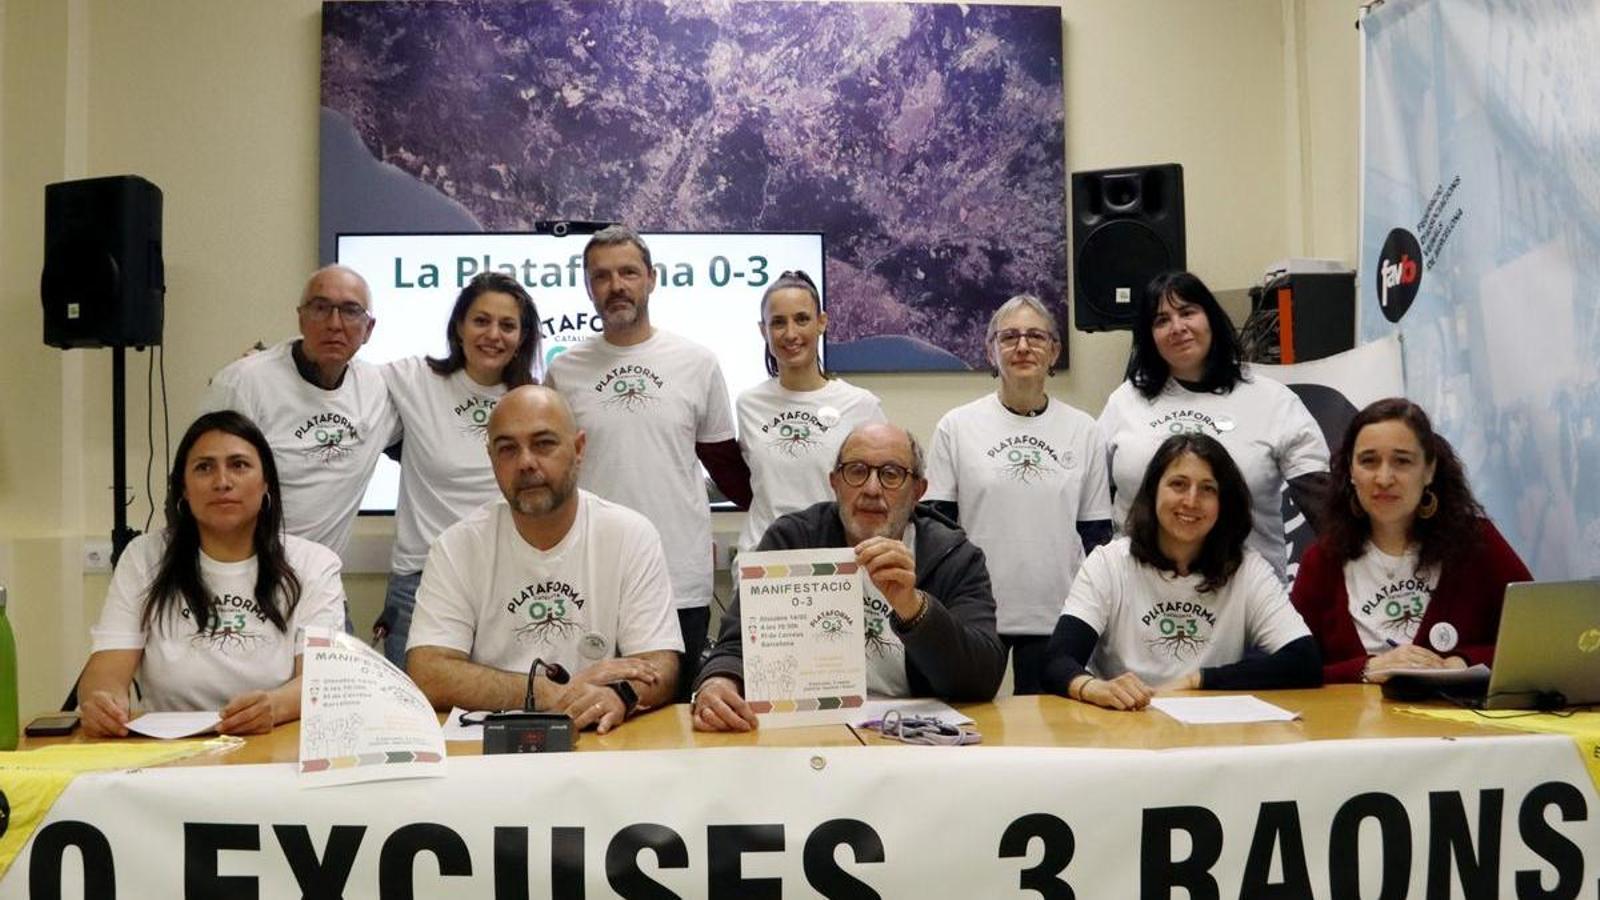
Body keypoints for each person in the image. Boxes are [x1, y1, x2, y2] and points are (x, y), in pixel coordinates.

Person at [692, 422, 1007, 732]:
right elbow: (737, 645)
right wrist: (719, 682)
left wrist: (915, 609)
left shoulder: (955, 556)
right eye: (856, 471)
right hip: (811, 730)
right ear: (835, 482)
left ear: (917, 492)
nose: (871, 489)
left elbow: (982, 679)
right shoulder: (792, 540)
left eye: (891, 474)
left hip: (911, 735)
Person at [545, 225, 750, 695]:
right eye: (601, 276)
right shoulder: (564, 370)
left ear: (652, 279)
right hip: (591, 576)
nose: (616, 285)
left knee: (670, 722)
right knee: (590, 715)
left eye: (628, 272)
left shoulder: (697, 362)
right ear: (588, 286)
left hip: (677, 578)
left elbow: (727, 469)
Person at [406, 386, 681, 733]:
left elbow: (661, 664)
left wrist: (619, 695)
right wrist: (550, 692)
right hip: (491, 752)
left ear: (579, 449)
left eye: (544, 444)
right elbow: (428, 672)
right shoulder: (457, 546)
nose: (525, 463)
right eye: (507, 449)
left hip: (598, 738)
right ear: (491, 459)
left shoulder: (630, 534)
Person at [78, 411, 348, 738]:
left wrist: (274, 707)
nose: (222, 481)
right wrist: (103, 702)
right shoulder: (143, 557)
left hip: (272, 743)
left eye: (239, 465)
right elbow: (105, 672)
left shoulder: (314, 563)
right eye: (204, 467)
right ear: (183, 489)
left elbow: (321, 681)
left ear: (266, 485)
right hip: (168, 752)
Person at [1042, 433, 1321, 710]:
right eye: (1178, 484)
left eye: (1208, 489)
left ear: (1223, 503)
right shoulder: (1109, 563)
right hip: (1124, 728)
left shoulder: (1248, 569)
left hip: (1213, 734)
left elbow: (1303, 660)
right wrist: (1094, 688)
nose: (1191, 500)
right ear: (1153, 492)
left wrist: (1198, 680)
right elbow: (1057, 662)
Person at [925, 295, 1112, 695]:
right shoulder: (956, 427)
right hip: (975, 612)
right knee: (972, 730)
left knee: (1046, 743)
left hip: (1056, 613)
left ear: (1054, 350)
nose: (1022, 347)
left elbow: (1096, 534)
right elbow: (935, 526)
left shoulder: (1085, 431)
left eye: (1035, 336)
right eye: (1009, 337)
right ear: (990, 350)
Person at [1097, 271, 1329, 579]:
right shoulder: (1124, 402)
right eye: (1161, 320)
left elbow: (1325, 509)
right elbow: (1089, 499)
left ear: (1211, 318)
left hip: (1245, 597)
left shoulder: (1272, 401)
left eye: (1187, 312)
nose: (1177, 327)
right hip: (1139, 596)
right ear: (1148, 336)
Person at [1290, 398, 1532, 683]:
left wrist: (1462, 662)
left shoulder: (1476, 542)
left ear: (1429, 470)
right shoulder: (1323, 559)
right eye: (1368, 461)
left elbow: (1538, 639)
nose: (1383, 478)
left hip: (1459, 724)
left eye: (1402, 461)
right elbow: (1294, 667)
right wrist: (1368, 668)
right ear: (1351, 472)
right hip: (1354, 725)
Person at [372, 272, 541, 667]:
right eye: (481, 321)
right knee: (416, 720)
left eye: (508, 325)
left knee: (501, 714)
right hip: (421, 582)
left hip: (507, 581)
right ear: (459, 327)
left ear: (522, 337)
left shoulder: (534, 399)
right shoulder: (414, 379)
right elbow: (338, 385)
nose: (493, 335)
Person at [201, 265, 400, 557]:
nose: (334, 323)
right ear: (301, 319)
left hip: (320, 581)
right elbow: (193, 482)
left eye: (349, 310)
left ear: (368, 329)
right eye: (320, 308)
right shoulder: (244, 382)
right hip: (243, 574)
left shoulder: (379, 391)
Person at [737, 269, 884, 552]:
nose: (790, 333)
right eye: (778, 322)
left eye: (802, 319)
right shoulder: (748, 404)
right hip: (762, 560)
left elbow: (880, 491)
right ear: (762, 330)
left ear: (821, 322)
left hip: (833, 562)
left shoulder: (861, 405)